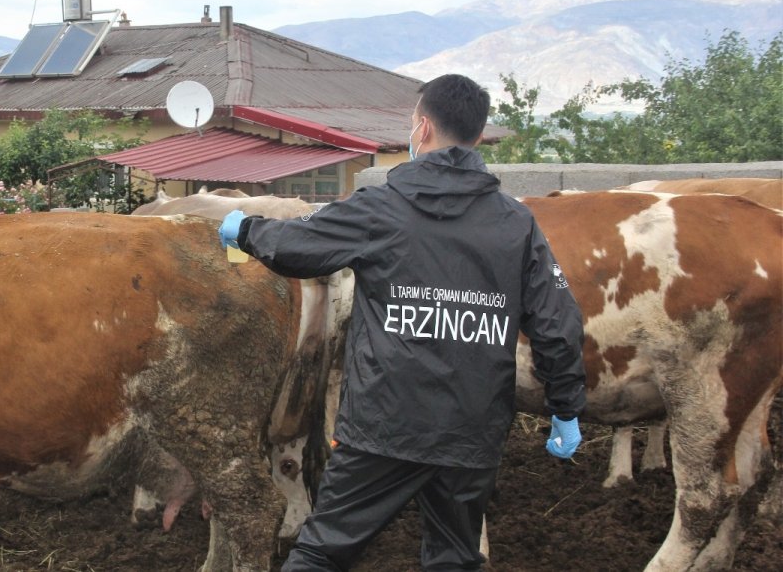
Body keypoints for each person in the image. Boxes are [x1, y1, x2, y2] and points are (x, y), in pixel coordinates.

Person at [218, 73, 586, 571]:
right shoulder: (515, 222)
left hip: (384, 425)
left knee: (323, 552)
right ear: (478, 137)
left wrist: (245, 228)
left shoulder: (382, 209)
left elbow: (295, 247)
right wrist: (566, 406)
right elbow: (557, 322)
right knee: (455, 558)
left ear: (423, 128)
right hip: (471, 430)